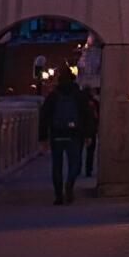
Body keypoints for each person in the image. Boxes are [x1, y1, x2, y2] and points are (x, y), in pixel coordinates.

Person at [44, 73, 87, 204]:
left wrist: (42, 137)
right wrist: (88, 134)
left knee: (57, 165)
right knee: (75, 164)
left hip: (56, 134)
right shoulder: (79, 96)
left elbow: (44, 116)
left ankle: (58, 195)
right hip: (74, 134)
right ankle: (69, 184)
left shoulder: (53, 96)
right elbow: (86, 115)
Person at [79, 85, 101, 178]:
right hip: (91, 130)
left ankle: (77, 168)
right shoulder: (94, 103)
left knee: (78, 151)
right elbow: (97, 117)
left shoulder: (78, 102)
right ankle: (89, 170)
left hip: (79, 130)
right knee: (90, 152)